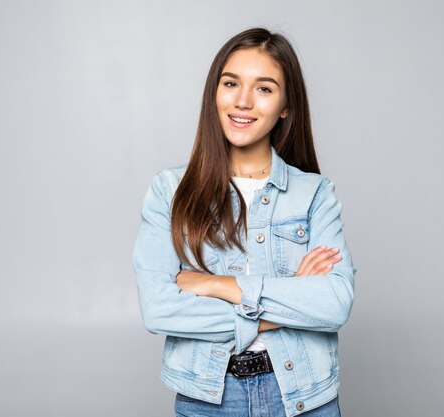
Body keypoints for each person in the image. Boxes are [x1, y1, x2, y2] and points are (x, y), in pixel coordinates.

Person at [132, 27, 356, 417]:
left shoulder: (315, 194)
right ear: (214, 92)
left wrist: (217, 285)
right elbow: (159, 309)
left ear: (286, 105)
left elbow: (334, 304)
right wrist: (287, 303)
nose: (243, 101)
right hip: (208, 400)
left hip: (305, 397)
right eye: (231, 83)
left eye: (265, 89)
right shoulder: (170, 190)